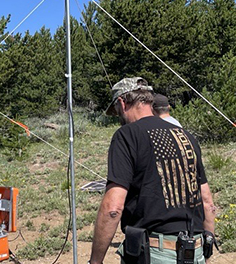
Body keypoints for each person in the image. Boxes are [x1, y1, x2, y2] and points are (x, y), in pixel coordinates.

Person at [89, 77, 216, 264]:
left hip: (154, 253)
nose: (118, 117)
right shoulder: (186, 136)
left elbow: (113, 209)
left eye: (116, 111)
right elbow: (207, 203)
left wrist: (95, 261)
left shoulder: (127, 135)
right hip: (194, 252)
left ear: (122, 103)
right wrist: (206, 244)